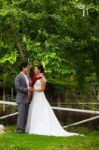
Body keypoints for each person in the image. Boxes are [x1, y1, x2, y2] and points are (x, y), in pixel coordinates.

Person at [26, 64, 80, 136]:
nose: (35, 70)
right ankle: (33, 127)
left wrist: (33, 89)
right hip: (35, 96)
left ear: (39, 70)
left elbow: (42, 89)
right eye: (34, 69)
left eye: (36, 69)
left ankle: (40, 128)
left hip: (40, 96)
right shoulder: (35, 77)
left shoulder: (42, 78)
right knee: (34, 110)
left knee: (40, 111)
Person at [15, 62, 33, 133]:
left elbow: (28, 85)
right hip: (21, 99)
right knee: (21, 115)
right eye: (27, 67)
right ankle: (19, 130)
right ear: (23, 68)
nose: (28, 69)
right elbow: (17, 87)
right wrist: (27, 89)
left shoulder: (27, 76)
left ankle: (23, 129)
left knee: (25, 115)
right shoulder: (18, 76)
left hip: (27, 99)